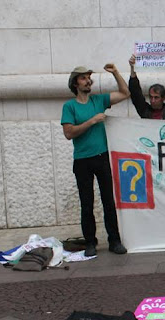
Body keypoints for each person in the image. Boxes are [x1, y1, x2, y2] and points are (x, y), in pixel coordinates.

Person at [61, 64, 130, 256]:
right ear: (75, 83)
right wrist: (92, 121)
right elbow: (69, 133)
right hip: (82, 160)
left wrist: (115, 73)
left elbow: (125, 93)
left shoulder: (99, 100)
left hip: (102, 157)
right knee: (87, 203)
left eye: (89, 77)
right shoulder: (69, 106)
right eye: (83, 78)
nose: (88, 81)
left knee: (109, 201)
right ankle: (90, 242)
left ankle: (114, 240)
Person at [128, 53, 165, 120]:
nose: (153, 100)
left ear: (163, 98)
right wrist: (132, 67)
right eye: (151, 97)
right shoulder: (145, 110)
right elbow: (135, 93)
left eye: (156, 97)